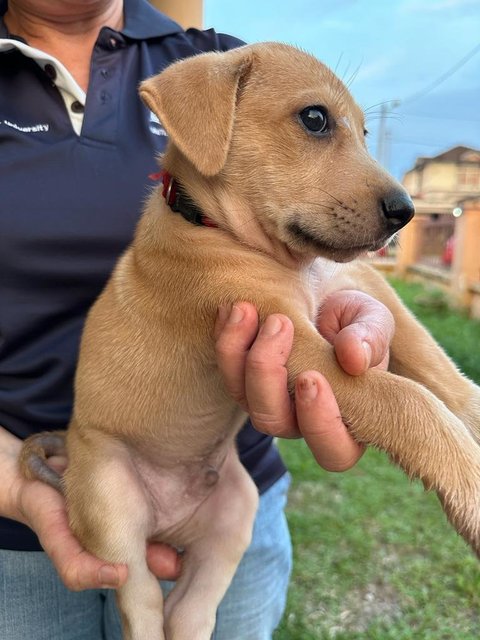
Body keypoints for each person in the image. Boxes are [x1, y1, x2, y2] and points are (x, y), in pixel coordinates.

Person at [0, 0, 394, 638]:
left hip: (227, 471)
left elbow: (302, 246)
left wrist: (347, 297)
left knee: (209, 591)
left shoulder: (220, 62)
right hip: (39, 509)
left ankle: (192, 611)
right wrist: (16, 489)